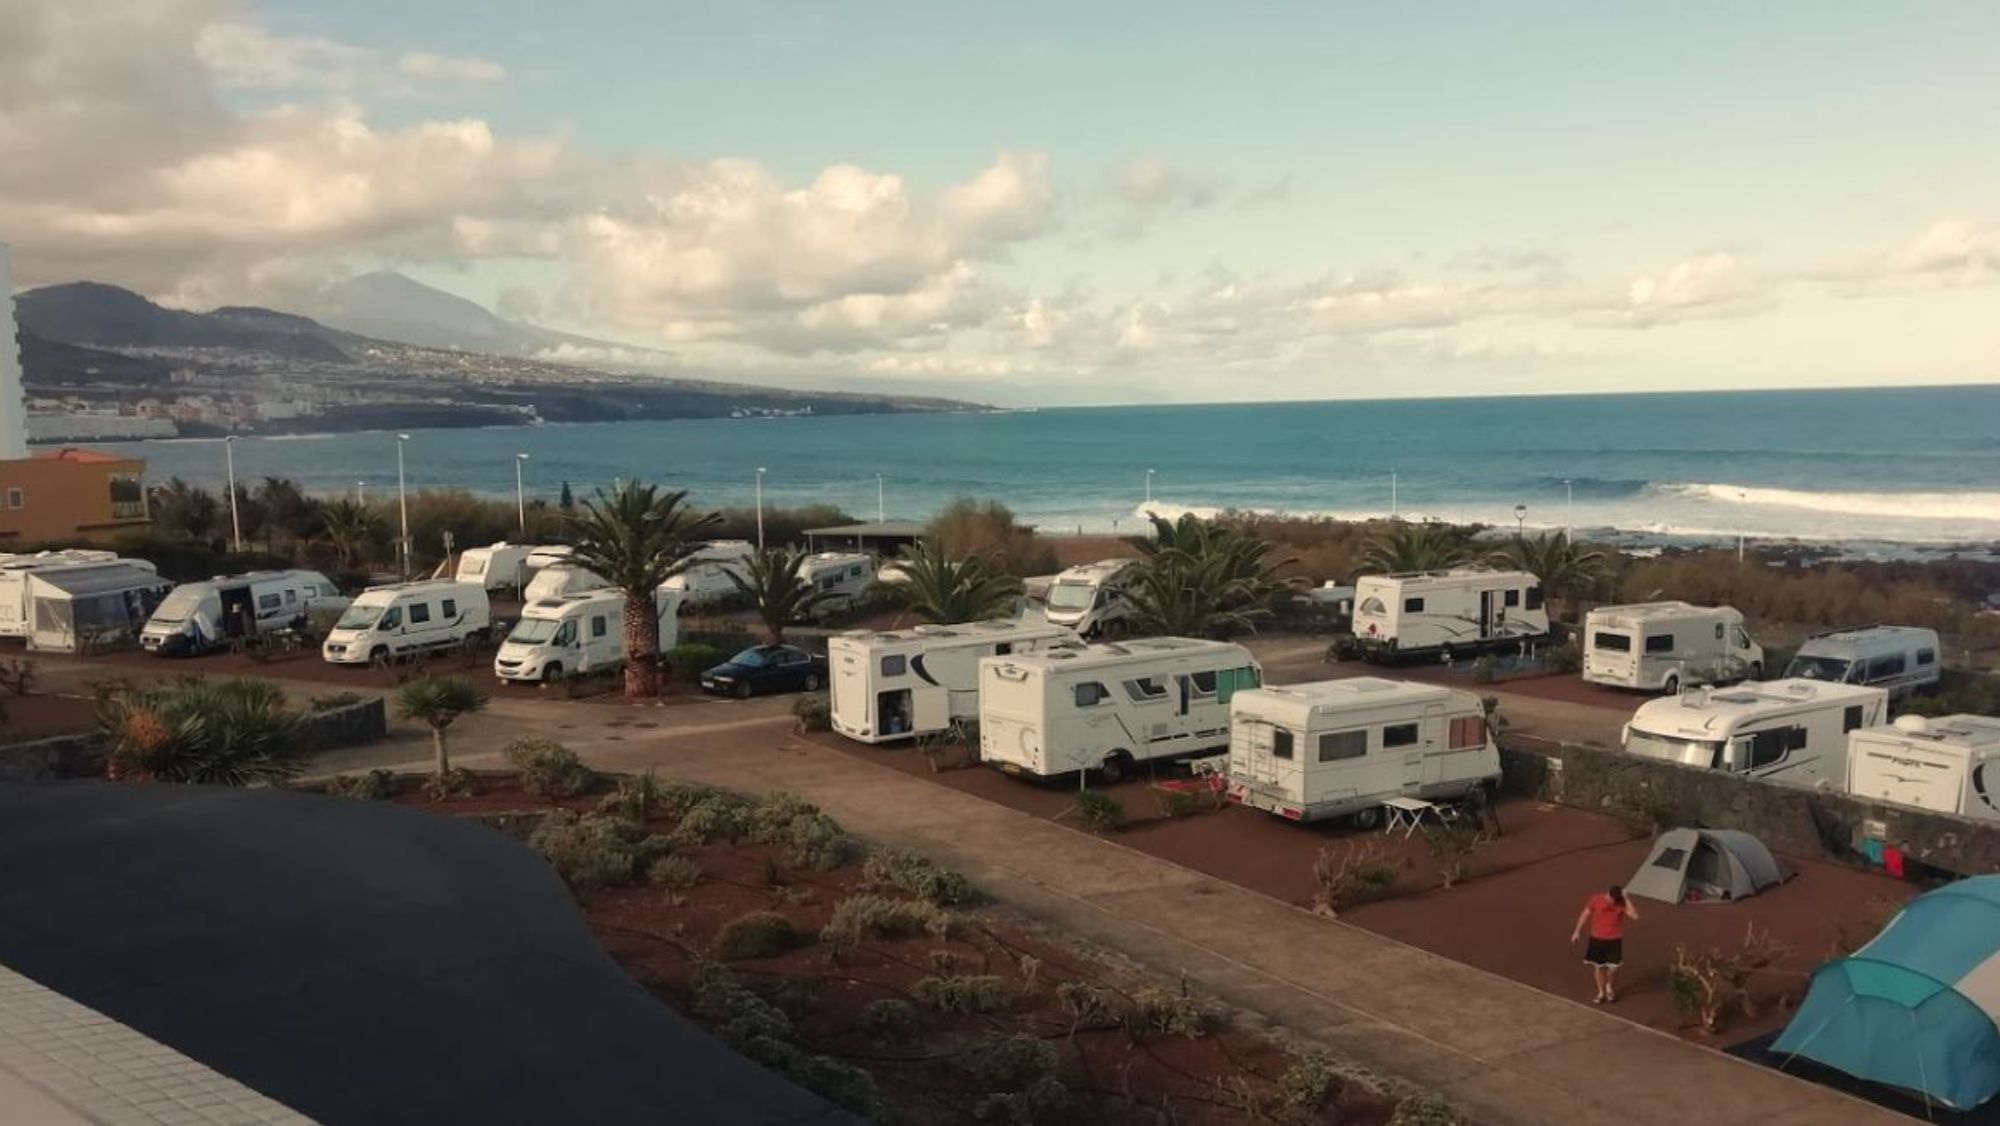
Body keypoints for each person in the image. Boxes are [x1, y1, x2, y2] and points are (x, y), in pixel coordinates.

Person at [1572, 884, 1638, 1004]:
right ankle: (1601, 992)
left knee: (1614, 967)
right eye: (1610, 898)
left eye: (1614, 900)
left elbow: (1634, 916)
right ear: (1608, 893)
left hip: (1614, 940)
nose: (1611, 901)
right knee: (1599, 967)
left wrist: (1627, 899)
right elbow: (1585, 914)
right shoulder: (1596, 899)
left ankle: (1609, 986)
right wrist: (1577, 931)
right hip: (1597, 939)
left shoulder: (1621, 903)